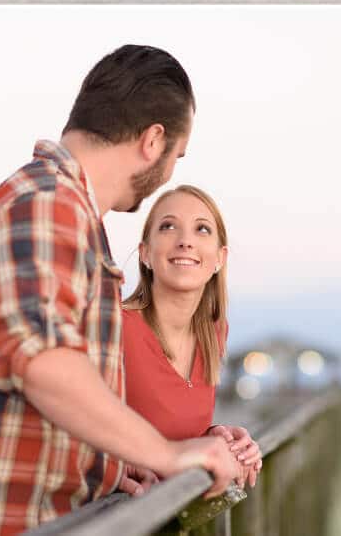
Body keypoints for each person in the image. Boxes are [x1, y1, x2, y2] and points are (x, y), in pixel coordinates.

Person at [0, 46, 241, 535]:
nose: (169, 174)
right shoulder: (46, 202)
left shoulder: (74, 216)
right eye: (175, 157)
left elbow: (44, 398)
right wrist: (165, 453)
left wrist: (107, 464)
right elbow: (43, 363)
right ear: (153, 140)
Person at [119, 185, 263, 495]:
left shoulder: (214, 333)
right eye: (169, 226)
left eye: (202, 229)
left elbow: (172, 429)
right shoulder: (114, 326)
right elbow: (64, 422)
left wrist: (219, 439)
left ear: (219, 258)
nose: (185, 241)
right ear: (145, 252)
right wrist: (113, 466)